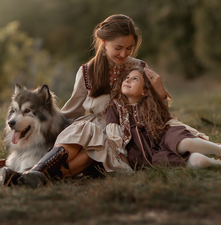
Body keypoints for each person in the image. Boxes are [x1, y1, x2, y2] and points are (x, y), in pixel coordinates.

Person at [1, 14, 209, 188]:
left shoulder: (138, 68)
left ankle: (31, 175)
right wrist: (50, 130)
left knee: (95, 137)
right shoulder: (86, 72)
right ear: (103, 42)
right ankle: (36, 173)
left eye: (129, 48)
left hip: (123, 132)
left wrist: (161, 91)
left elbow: (155, 108)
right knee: (86, 130)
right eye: (118, 47)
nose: (124, 53)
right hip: (90, 127)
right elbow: (72, 111)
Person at [105, 67, 221, 169]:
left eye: (134, 79)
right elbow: (115, 140)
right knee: (199, 161)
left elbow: (170, 122)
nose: (128, 80)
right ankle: (220, 164)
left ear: (145, 91)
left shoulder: (150, 106)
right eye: (127, 78)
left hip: (166, 137)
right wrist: (126, 168)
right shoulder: (114, 106)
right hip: (151, 156)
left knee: (185, 142)